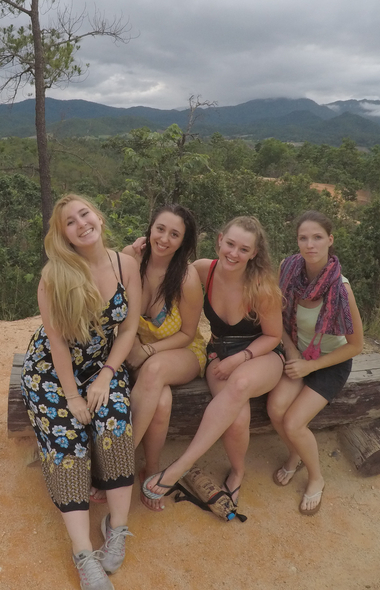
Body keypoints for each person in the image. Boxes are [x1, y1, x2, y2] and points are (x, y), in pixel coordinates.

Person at [21, 194, 142, 590]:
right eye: (70, 223)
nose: (81, 224)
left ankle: (117, 527)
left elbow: (128, 329)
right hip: (53, 373)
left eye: (84, 214)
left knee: (114, 424)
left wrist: (108, 374)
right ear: (65, 236)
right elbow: (57, 344)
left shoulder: (126, 265)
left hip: (102, 367)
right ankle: (83, 554)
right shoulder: (54, 277)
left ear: (99, 218)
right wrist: (72, 397)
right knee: (67, 440)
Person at [142, 215, 284, 508]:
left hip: (261, 353)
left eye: (244, 249)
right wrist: (139, 249)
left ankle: (182, 465)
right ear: (220, 240)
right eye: (230, 244)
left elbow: (272, 336)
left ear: (254, 253)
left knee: (241, 382)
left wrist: (240, 360)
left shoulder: (262, 287)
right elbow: (168, 267)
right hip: (219, 351)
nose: (234, 253)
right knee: (238, 418)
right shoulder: (203, 270)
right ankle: (238, 470)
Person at [267, 211, 363, 516]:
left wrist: (311, 366)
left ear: (330, 240)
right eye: (303, 238)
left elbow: (356, 346)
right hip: (296, 352)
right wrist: (293, 352)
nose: (310, 244)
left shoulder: (341, 289)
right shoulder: (288, 268)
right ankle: (295, 454)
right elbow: (275, 317)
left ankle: (316, 476)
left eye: (317, 237)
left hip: (330, 361)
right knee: (275, 408)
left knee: (294, 422)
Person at [119, 205, 207, 512]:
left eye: (174, 234)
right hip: (138, 354)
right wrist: (129, 250)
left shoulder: (186, 278)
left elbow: (187, 333)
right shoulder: (132, 261)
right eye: (160, 229)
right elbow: (101, 271)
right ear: (150, 228)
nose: (165, 239)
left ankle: (117, 465)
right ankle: (150, 469)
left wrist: (148, 351)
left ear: (183, 241)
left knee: (155, 370)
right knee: (163, 401)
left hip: (180, 351)